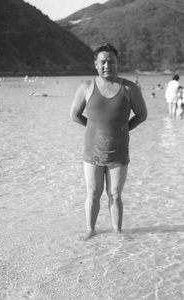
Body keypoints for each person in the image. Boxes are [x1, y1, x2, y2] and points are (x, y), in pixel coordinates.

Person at [70, 43, 147, 240]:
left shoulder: (129, 88)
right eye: (102, 61)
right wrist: (93, 128)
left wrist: (123, 129)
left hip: (119, 152)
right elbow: (75, 115)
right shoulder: (86, 86)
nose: (107, 65)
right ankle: (91, 230)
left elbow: (142, 114)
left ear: (117, 63)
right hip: (92, 152)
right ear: (96, 64)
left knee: (115, 195)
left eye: (111, 61)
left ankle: (117, 232)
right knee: (93, 193)